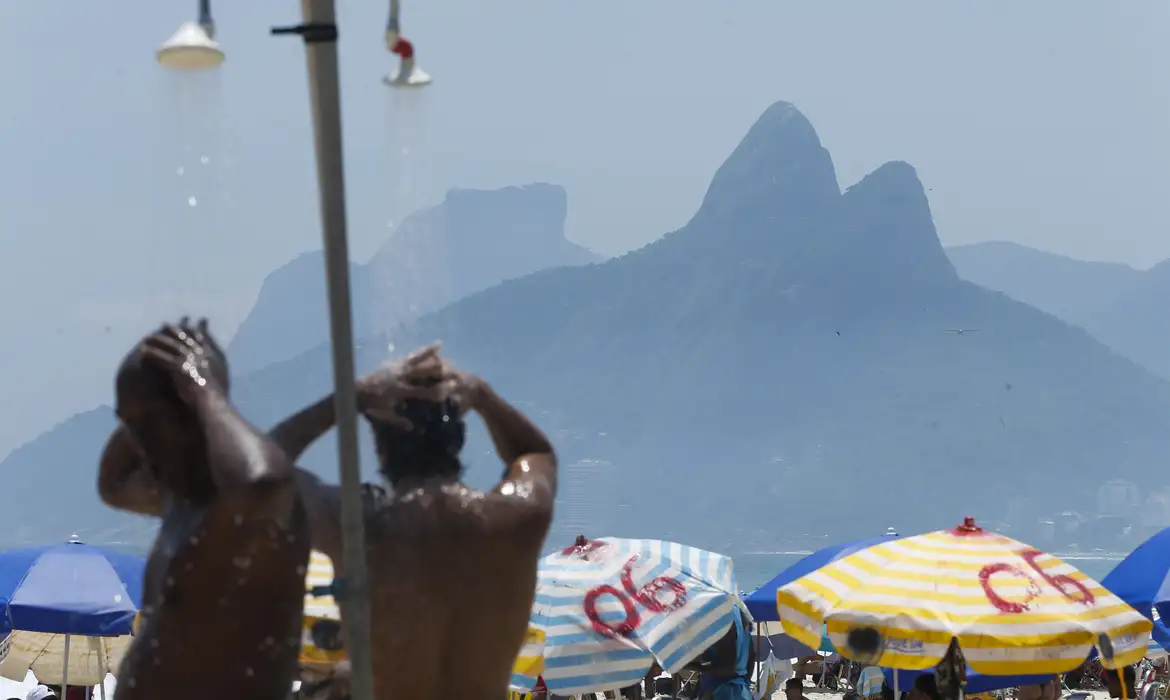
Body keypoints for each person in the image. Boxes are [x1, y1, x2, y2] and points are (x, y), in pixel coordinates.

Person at [269, 343, 558, 700]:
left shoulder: (358, 527)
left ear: (381, 449)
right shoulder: (512, 520)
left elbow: (266, 472)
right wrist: (483, 395)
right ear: (459, 437)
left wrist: (353, 397)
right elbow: (536, 453)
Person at [97, 320, 308, 699]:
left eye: (152, 423)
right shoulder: (180, 504)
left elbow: (262, 480)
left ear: (195, 414)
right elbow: (111, 485)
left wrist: (205, 388)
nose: (140, 445)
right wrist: (143, 398)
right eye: (131, 425)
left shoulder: (240, 516)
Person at [688, 608, 755, 700]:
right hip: (741, 692)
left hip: (718, 690)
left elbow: (726, 669)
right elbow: (752, 658)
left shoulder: (722, 617)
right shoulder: (742, 617)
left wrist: (689, 666)